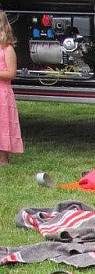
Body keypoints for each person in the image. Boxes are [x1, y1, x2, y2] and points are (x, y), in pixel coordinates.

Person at [0, 10, 23, 166]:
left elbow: (11, 73)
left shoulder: (7, 49)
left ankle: (3, 158)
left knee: (3, 124)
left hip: (2, 92)